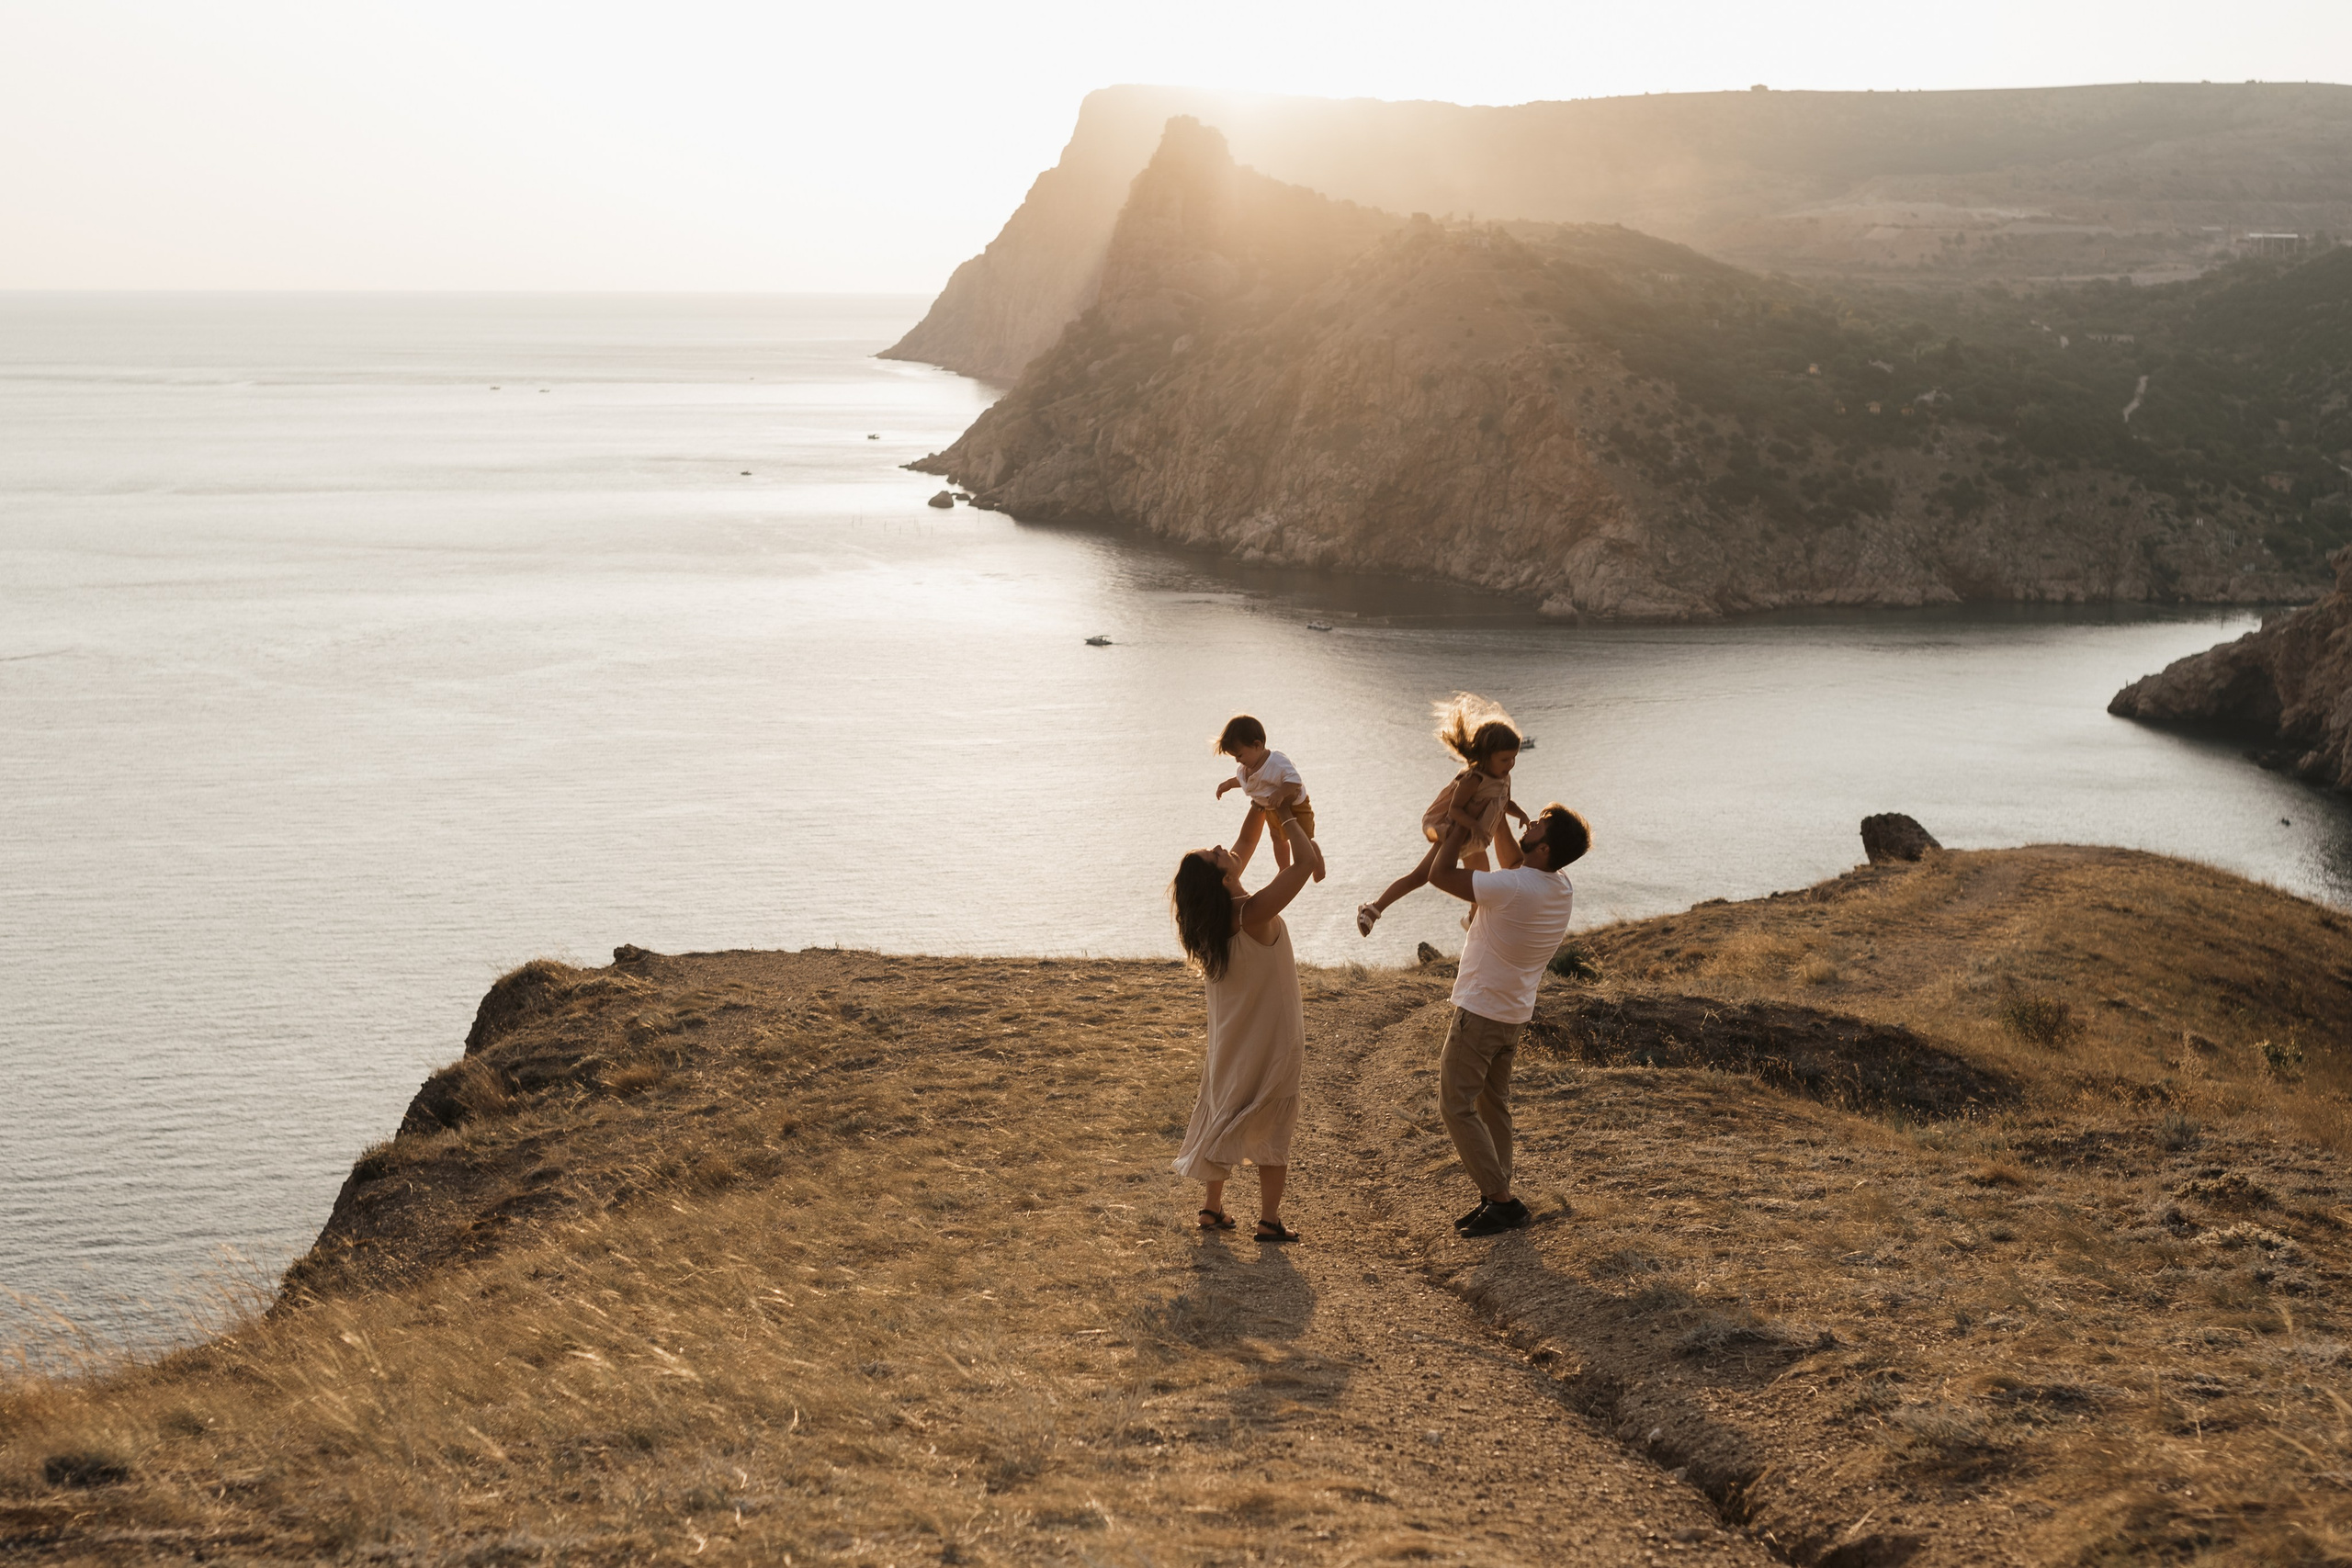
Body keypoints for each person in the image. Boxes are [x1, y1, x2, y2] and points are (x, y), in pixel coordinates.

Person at [1424, 800, 1589, 1237]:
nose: (1530, 822)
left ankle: (1502, 1201)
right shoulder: (1559, 885)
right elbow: (1517, 863)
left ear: (1545, 848)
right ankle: (1495, 1195)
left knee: (1454, 1104)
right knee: (1492, 1104)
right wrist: (1497, 811)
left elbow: (1439, 875)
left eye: (1539, 824)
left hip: (1481, 1012)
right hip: (1512, 1013)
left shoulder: (1514, 887)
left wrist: (1459, 827)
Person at [1168, 801, 1322, 1243]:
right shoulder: (1251, 913)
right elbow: (1305, 863)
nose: (1223, 848)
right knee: (1272, 1122)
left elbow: (1248, 839)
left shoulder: (1214, 922)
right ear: (1223, 879)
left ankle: (1211, 1208)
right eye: (1216, 855)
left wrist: (1260, 797)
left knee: (1225, 1110)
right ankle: (1269, 1220)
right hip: (1271, 1037)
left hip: (1230, 1039)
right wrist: (1288, 814)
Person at [1357, 694, 1528, 937]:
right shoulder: (1473, 779)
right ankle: (1374, 908)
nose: (1510, 764)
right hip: (1455, 837)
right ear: (1486, 755)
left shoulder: (1504, 778)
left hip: (1475, 842)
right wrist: (1474, 826)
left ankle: (1473, 921)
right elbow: (1455, 809)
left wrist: (1520, 814)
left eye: (1513, 758)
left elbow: (1504, 802)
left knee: (1480, 885)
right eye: (1504, 759)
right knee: (1420, 876)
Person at [1213, 714, 1323, 882]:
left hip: (1295, 806)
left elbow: (1295, 781)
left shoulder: (1276, 761)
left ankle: (1318, 865)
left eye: (1240, 755)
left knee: (1303, 839)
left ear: (1257, 745)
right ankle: (1283, 868)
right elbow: (1245, 781)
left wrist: (1281, 793)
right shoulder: (1246, 768)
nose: (1237, 761)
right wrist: (1229, 784)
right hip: (1271, 808)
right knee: (1277, 838)